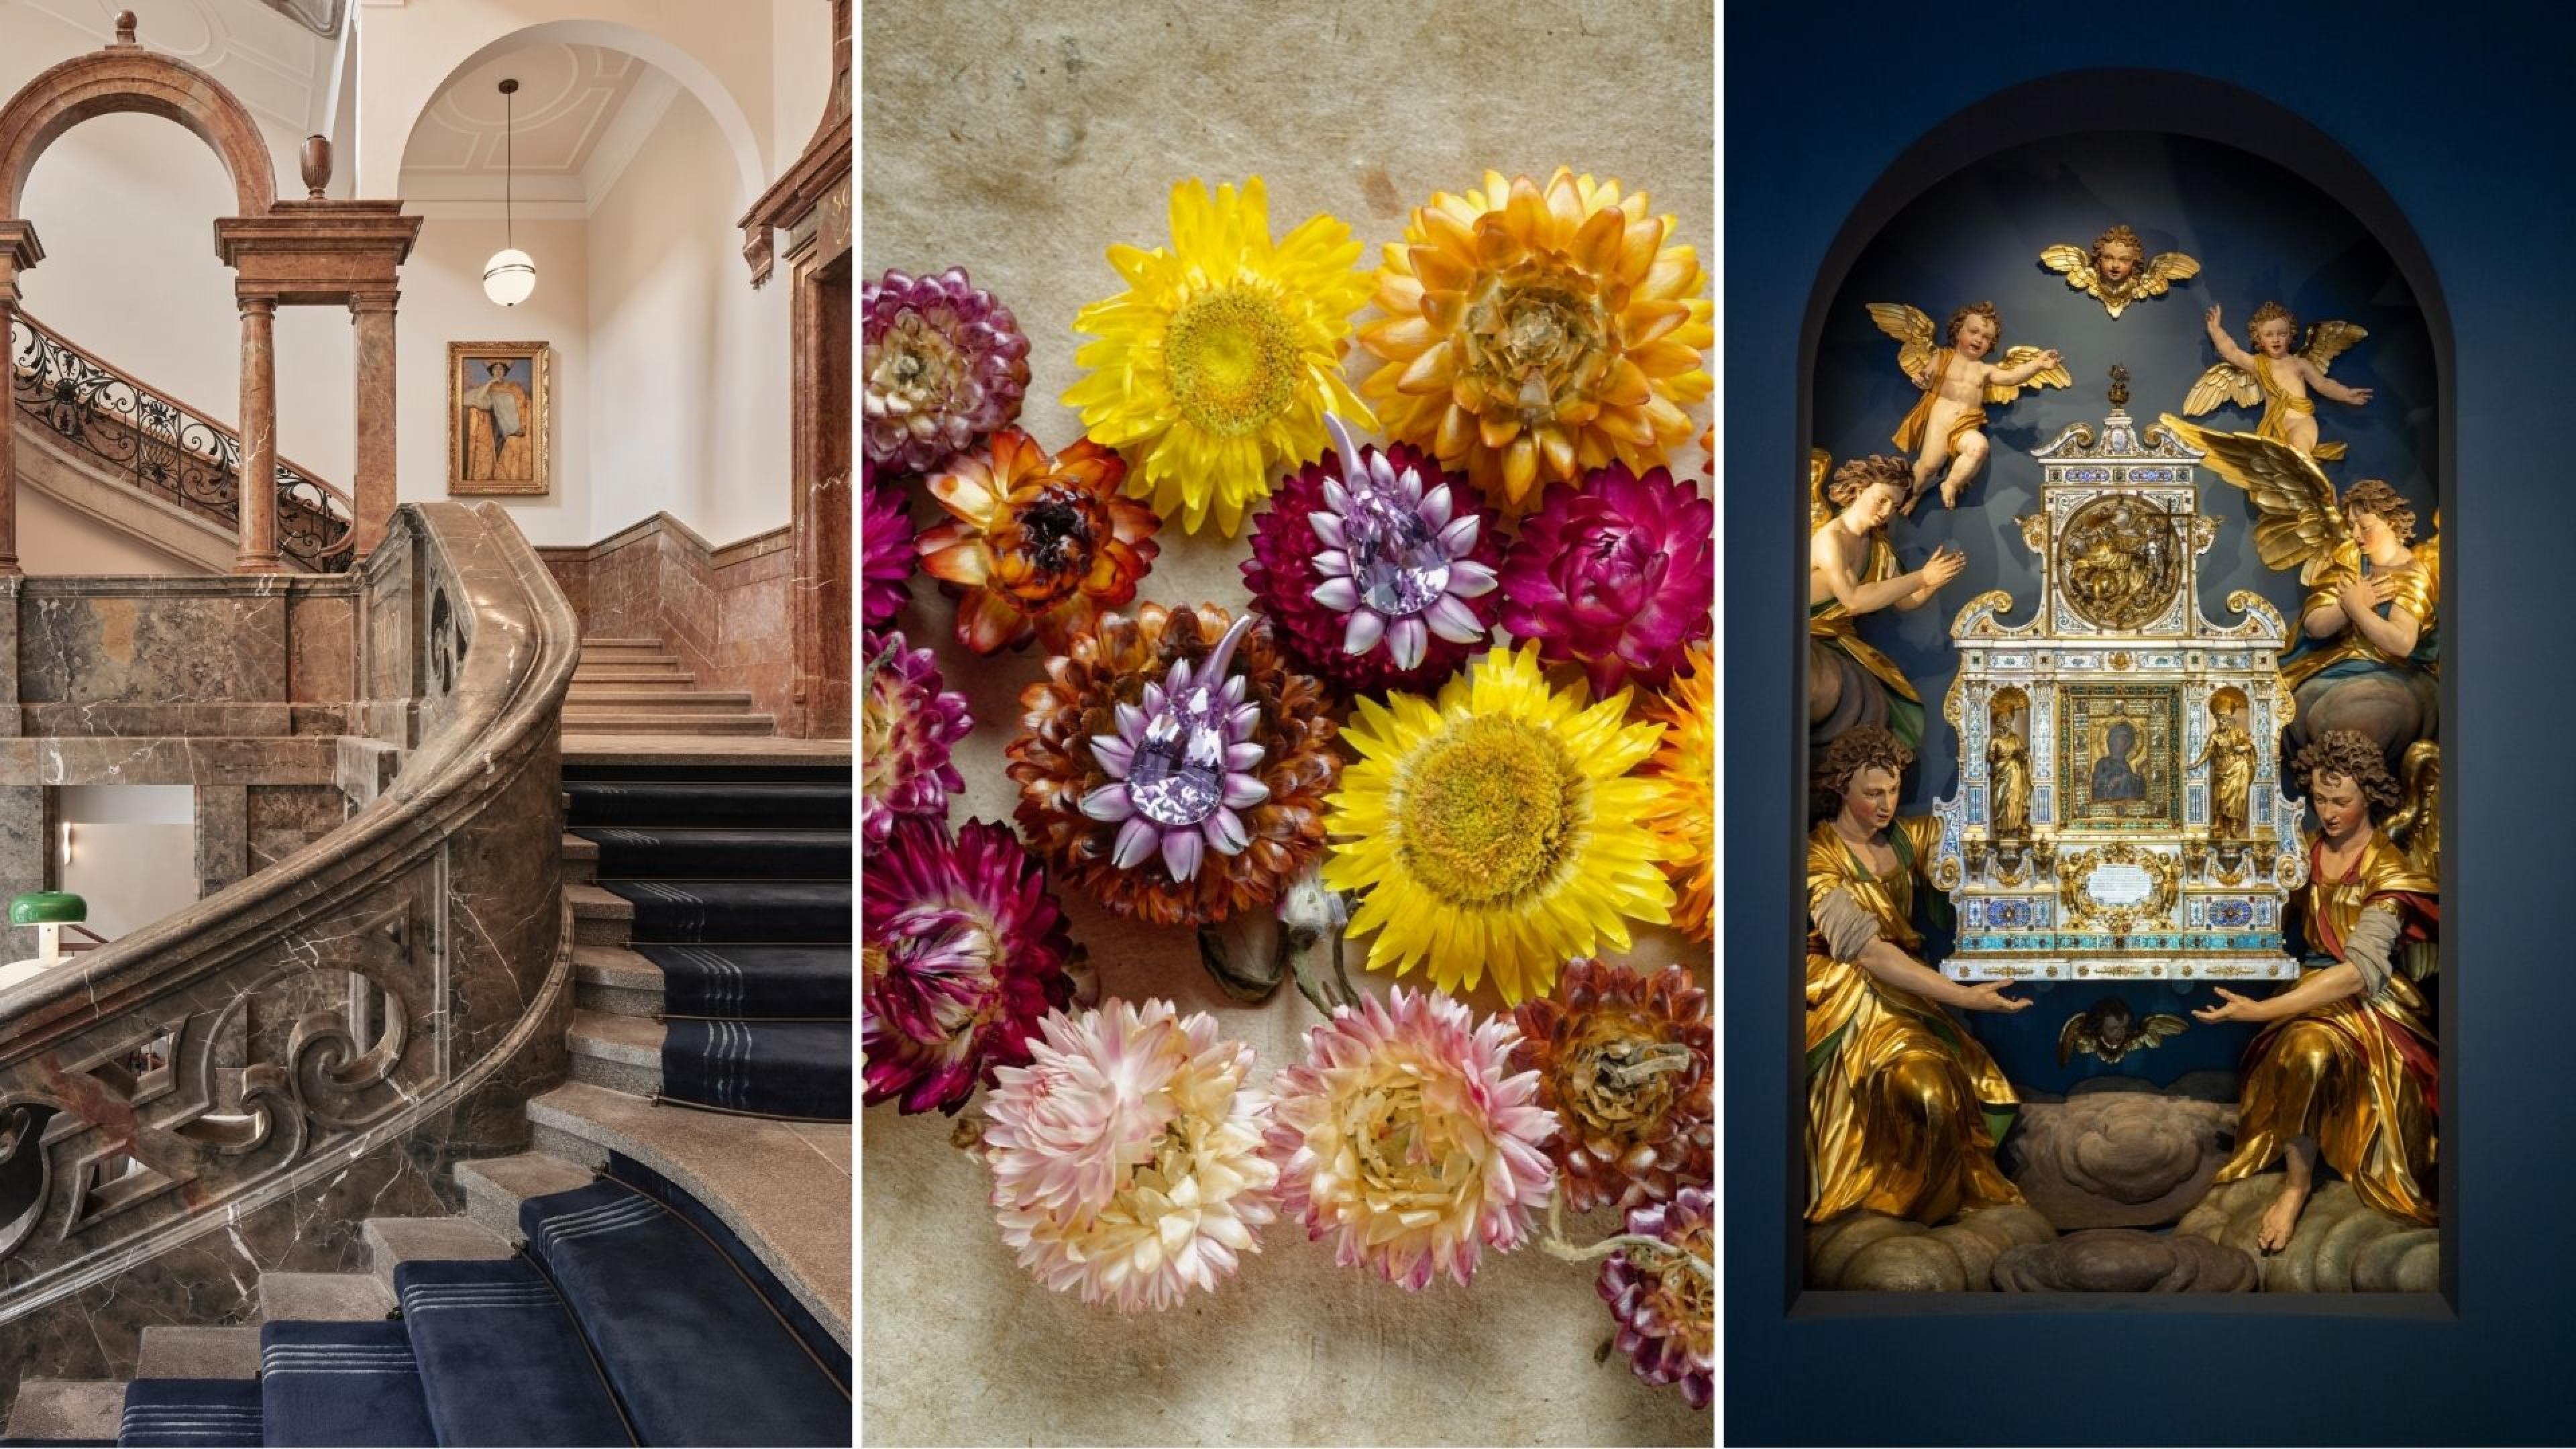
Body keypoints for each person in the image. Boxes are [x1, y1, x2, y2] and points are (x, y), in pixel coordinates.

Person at [2193, 729, 2436, 1250]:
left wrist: (2263, 1011)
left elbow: (2358, 971)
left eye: (2342, 802)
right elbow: (2256, 914)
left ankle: (2297, 1187)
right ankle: (2297, 1177)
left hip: (2370, 1002)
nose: (2328, 812)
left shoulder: (2388, 871)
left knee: (2307, 1048)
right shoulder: (2301, 853)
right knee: (2305, 1048)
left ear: (2368, 796)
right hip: (2307, 988)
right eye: (2320, 800)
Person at [1805, 727, 2030, 1224]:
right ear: (1841, 788)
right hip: (1851, 1001)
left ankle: (1927, 1209)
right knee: (1922, 1088)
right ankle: (1885, 1203)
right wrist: (1966, 999)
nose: (1887, 804)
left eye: (1894, 790)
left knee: (1941, 1088)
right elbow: (1866, 951)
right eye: (1872, 793)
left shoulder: (1910, 839)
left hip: (1908, 993)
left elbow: (1983, 838)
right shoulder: (1816, 858)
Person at [1807, 453, 1959, 749]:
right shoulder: (1830, 539)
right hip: (1809, 636)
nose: (1887, 512)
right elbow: (1853, 601)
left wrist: (1932, 584)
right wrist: (1922, 577)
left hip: (1839, 640)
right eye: (1882, 500)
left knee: (1882, 701)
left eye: (1894, 506)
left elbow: (1903, 601)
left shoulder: (1877, 546)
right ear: (1861, 490)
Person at [1873, 301, 2064, 512]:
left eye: (1986, 338)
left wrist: (2037, 364)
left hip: (1967, 424)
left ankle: (1951, 484)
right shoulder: (1943, 356)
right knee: (1928, 466)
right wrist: (1924, 379)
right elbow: (1930, 373)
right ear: (1958, 331)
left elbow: (2011, 377)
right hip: (1941, 419)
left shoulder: (1984, 370)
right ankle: (1913, 495)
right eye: (1974, 332)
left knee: (1979, 447)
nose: (1978, 339)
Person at [2199, 302, 2372, 460]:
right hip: (2274, 426)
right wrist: (2215, 330)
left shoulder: (2299, 364)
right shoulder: (2259, 364)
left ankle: (2322, 492)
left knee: (2301, 455)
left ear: (2290, 336)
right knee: (2273, 470)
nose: (2276, 339)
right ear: (2259, 339)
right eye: (2269, 335)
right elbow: (2232, 352)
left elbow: (2324, 385)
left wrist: (2346, 394)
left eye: (2282, 334)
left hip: (2301, 422)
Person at [463, 360, 533, 482]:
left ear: (505, 371)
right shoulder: (489, 389)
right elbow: (477, 400)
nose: (498, 371)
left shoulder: (514, 387)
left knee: (513, 447)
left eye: (501, 368)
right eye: (495, 368)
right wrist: (490, 383)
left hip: (515, 429)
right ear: (491, 371)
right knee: (498, 448)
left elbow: (524, 405)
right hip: (497, 426)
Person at [2090, 719, 2145, 803]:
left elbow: (2136, 792)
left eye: (2128, 740)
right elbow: (2096, 786)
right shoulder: (2103, 763)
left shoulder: (2126, 766)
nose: (2126, 743)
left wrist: (2138, 777)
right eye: (2122, 739)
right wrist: (2114, 781)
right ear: (2112, 741)